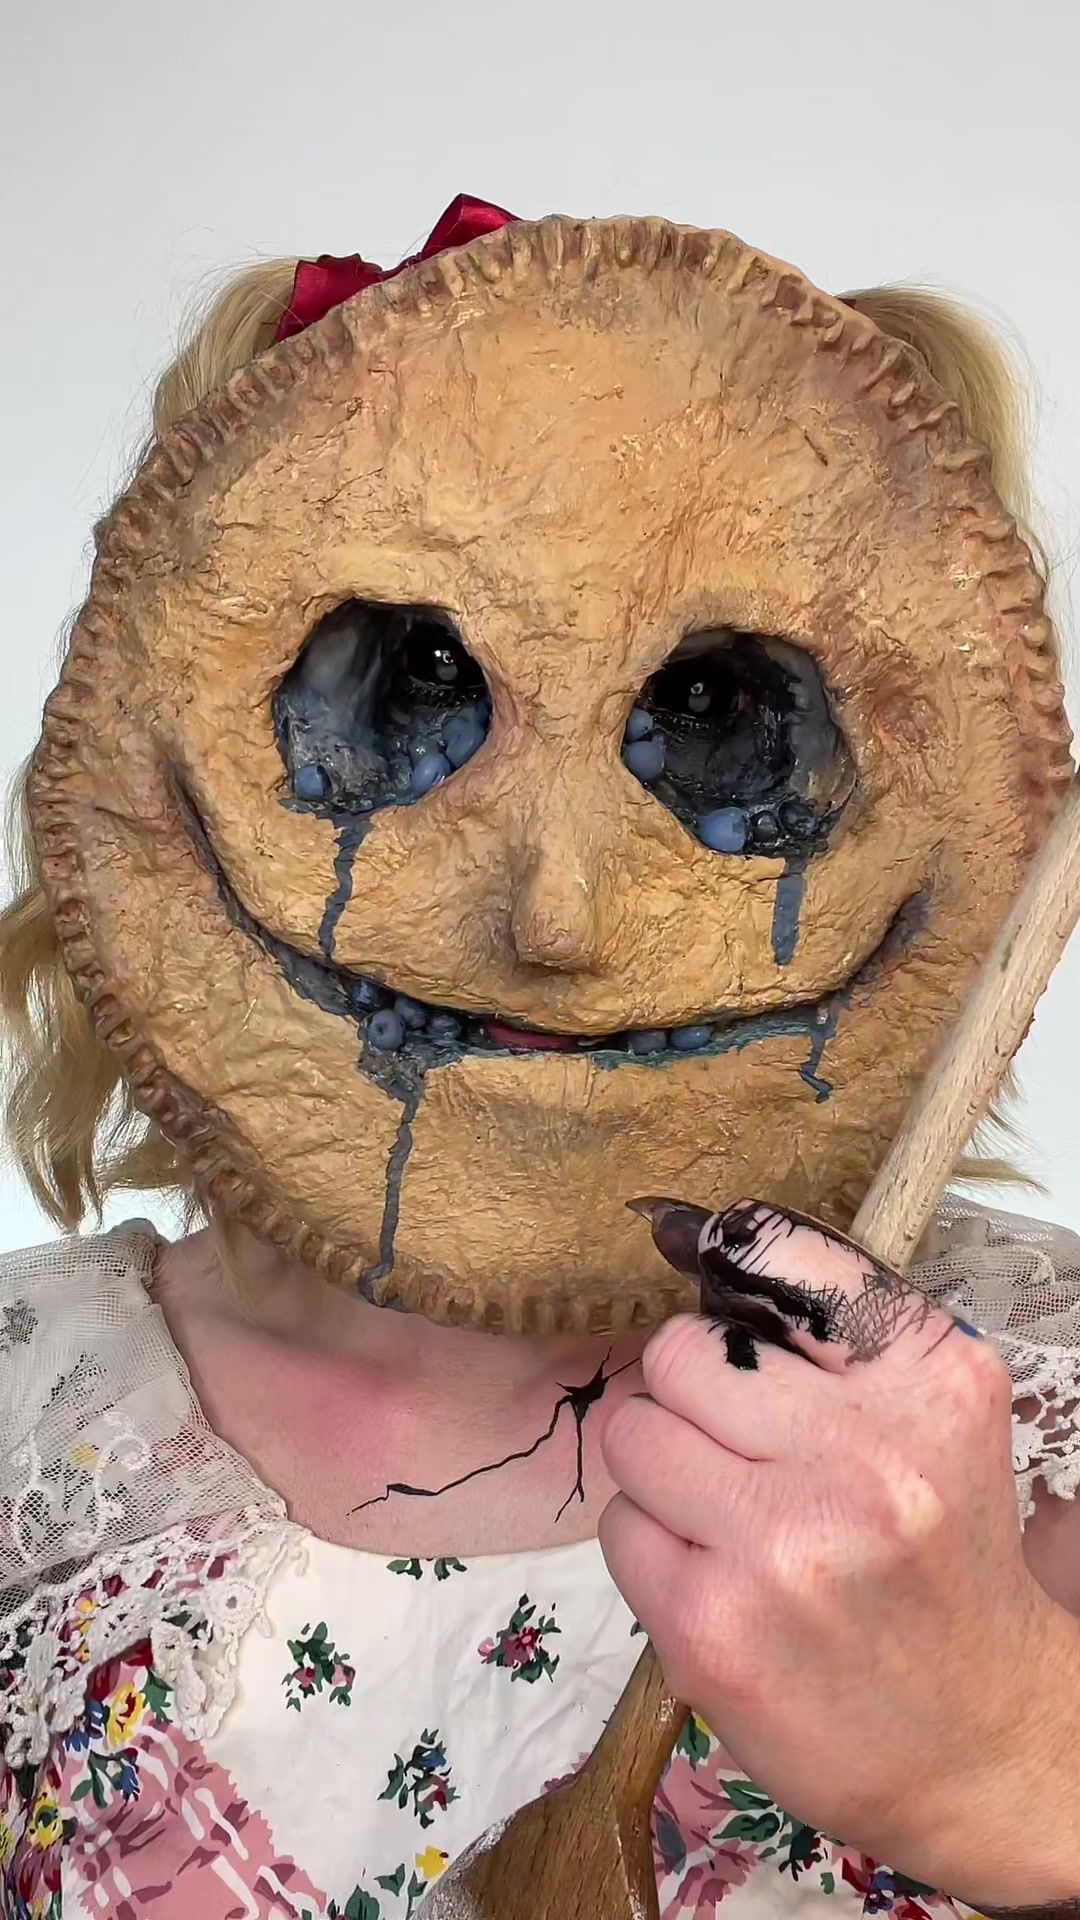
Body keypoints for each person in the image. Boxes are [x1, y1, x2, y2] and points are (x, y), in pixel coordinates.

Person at [2, 196, 1080, 1920]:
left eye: (717, 709)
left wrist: (1017, 1759)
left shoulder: (1025, 1433)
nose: (556, 915)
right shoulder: (35, 1438)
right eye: (414, 676)